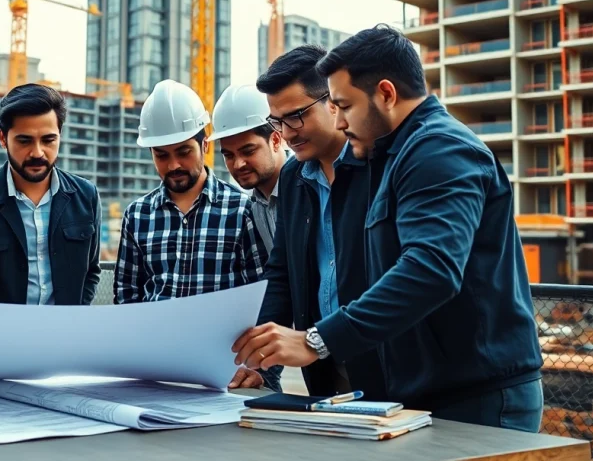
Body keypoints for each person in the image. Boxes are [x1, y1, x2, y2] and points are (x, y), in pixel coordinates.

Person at [240, 25, 544, 431]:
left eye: (343, 105)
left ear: (385, 93)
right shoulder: (397, 152)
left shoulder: (440, 150)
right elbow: (285, 272)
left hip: (473, 392)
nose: (342, 121)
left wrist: (317, 339)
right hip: (405, 389)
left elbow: (429, 270)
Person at [231, 45, 385, 401]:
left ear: (333, 100)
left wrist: (320, 339)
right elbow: (281, 274)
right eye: (278, 121)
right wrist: (258, 362)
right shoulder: (295, 178)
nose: (287, 133)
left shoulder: (376, 168)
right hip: (327, 372)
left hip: (386, 363)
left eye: (296, 116)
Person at [116, 79, 269, 391]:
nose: (174, 165)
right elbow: (127, 299)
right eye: (161, 155)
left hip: (224, 374)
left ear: (205, 146)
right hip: (153, 371)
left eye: (184, 151)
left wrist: (266, 370)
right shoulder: (137, 215)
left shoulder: (243, 210)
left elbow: (264, 301)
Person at [0, 84, 102, 305]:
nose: (37, 152)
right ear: (2, 138)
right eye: (24, 141)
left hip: (66, 335)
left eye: (48, 140)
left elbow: (91, 271)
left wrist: (75, 317)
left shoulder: (86, 196)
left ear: (60, 136)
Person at [208, 83, 290, 392]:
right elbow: (277, 286)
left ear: (276, 139)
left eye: (248, 151)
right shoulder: (254, 206)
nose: (237, 164)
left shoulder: (310, 186)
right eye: (228, 155)